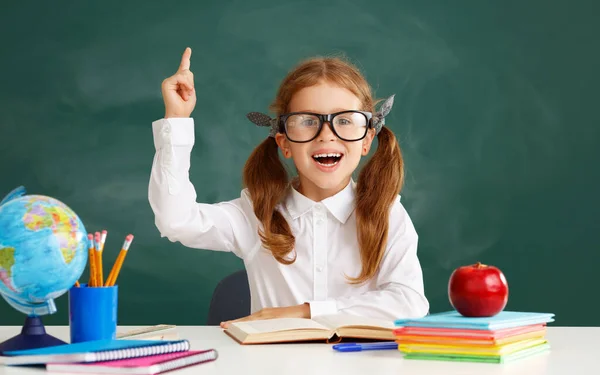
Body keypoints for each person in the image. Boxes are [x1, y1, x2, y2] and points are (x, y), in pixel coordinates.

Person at [148, 47, 429, 327]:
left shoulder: (387, 213)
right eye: (307, 121)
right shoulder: (257, 213)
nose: (326, 135)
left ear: (366, 139)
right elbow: (176, 221)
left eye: (344, 120)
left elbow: (410, 304)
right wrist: (176, 119)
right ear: (284, 143)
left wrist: (305, 312)